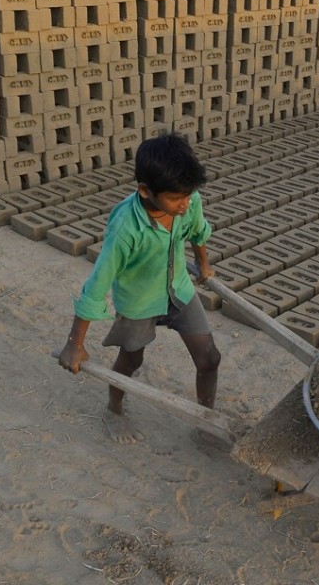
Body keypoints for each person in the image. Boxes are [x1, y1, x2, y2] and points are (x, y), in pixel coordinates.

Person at [56, 133, 221, 445]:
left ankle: (207, 420)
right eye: (176, 198)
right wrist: (74, 344)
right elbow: (96, 285)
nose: (185, 204)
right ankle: (114, 410)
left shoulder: (189, 202)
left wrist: (203, 264)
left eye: (189, 195)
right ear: (145, 191)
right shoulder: (125, 229)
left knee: (209, 358)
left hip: (179, 291)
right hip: (138, 301)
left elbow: (198, 231)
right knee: (131, 361)